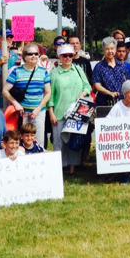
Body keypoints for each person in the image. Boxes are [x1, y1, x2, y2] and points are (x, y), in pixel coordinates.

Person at [48, 44, 92, 174]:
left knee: (74, 141)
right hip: (59, 113)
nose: (67, 58)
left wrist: (83, 93)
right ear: (59, 57)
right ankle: (60, 168)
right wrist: (51, 113)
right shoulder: (54, 73)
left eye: (70, 55)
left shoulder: (78, 69)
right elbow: (49, 95)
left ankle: (73, 168)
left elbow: (87, 86)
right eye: (64, 55)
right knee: (59, 142)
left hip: (77, 113)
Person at [4, 43, 51, 150]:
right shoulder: (16, 71)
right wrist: (16, 104)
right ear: (24, 56)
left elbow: (48, 93)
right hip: (22, 113)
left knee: (38, 142)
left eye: (36, 54)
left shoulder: (44, 72)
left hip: (39, 112)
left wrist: (38, 109)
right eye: (30, 54)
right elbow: (5, 90)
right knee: (21, 142)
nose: (33, 56)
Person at [93, 37, 130, 110]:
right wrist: (109, 93)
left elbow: (129, 83)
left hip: (122, 103)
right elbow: (97, 85)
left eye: (112, 48)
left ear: (115, 50)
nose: (110, 51)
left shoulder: (122, 66)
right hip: (105, 104)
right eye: (107, 49)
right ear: (103, 50)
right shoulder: (99, 67)